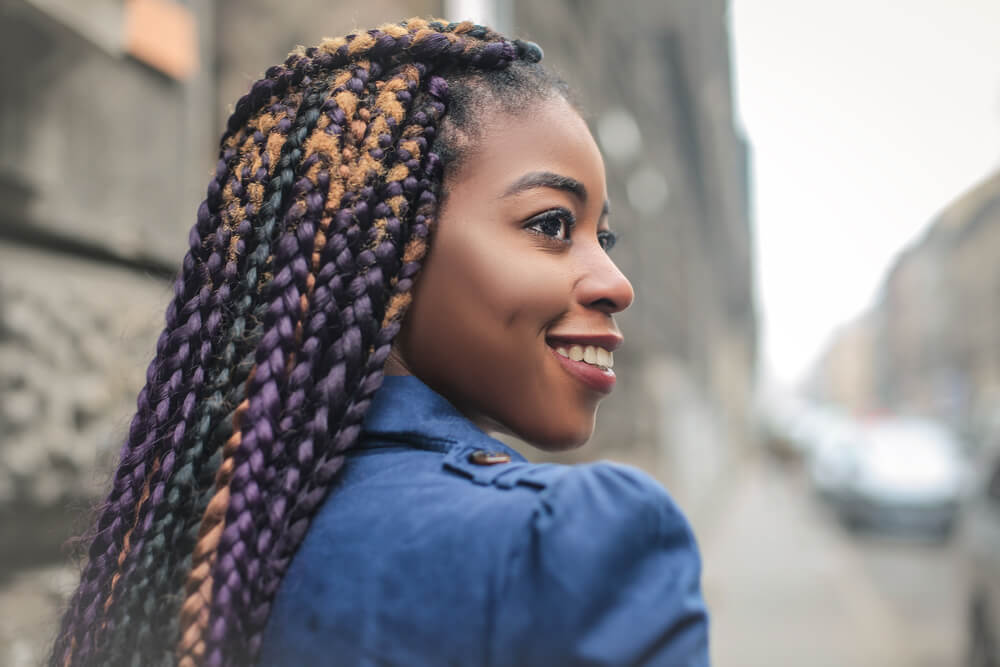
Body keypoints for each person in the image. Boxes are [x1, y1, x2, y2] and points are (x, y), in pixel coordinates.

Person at [50, 18, 709, 667]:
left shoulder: (184, 548)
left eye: (605, 238)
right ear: (391, 244)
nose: (615, 284)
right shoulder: (581, 551)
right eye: (552, 223)